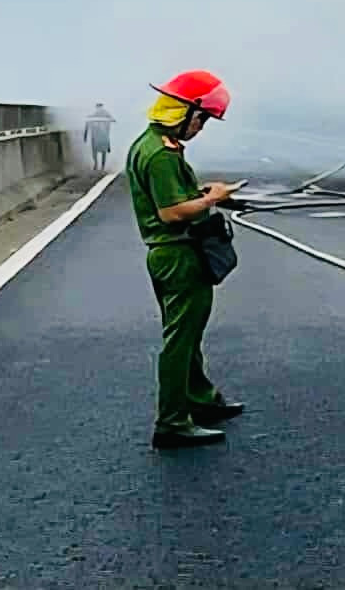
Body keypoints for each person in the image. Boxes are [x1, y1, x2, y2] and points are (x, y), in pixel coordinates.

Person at [126, 69, 244, 450]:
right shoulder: (160, 154)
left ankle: (200, 399)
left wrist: (205, 192)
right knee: (180, 338)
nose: (201, 127)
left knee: (189, 333)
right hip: (178, 253)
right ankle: (172, 421)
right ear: (186, 111)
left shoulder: (151, 143)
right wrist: (211, 198)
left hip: (172, 253)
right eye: (203, 118)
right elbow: (173, 212)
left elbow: (177, 195)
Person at [83, 103, 117, 172]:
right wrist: (85, 136)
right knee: (95, 151)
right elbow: (87, 124)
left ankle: (102, 166)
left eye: (100, 107)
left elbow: (113, 119)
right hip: (96, 136)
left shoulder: (106, 113)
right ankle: (97, 164)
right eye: (98, 107)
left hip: (103, 136)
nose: (99, 109)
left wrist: (85, 136)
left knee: (103, 151)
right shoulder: (93, 114)